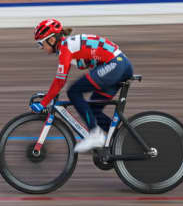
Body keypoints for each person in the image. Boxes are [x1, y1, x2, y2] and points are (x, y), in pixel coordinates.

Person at [28, 19, 134, 153]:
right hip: (119, 65)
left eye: (41, 43)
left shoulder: (66, 47)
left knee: (74, 91)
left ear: (52, 40)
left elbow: (60, 81)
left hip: (116, 64)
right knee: (92, 109)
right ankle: (122, 139)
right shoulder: (69, 46)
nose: (41, 47)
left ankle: (95, 134)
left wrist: (43, 103)